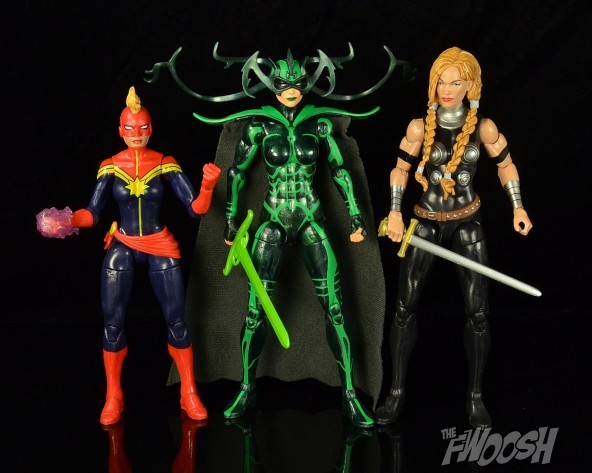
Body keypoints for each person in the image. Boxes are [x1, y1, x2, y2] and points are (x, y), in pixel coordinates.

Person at [145, 43, 410, 428]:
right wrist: (231, 219)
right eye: (284, 84)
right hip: (272, 219)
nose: (291, 90)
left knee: (335, 308)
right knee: (255, 310)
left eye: (297, 84)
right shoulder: (259, 127)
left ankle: (350, 393)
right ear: (272, 86)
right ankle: (247, 388)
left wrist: (355, 214)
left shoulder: (319, 126)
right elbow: (238, 173)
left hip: (311, 218)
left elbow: (339, 171)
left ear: (306, 85)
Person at [37, 87, 221, 425]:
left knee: (177, 321)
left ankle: (189, 391)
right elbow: (93, 213)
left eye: (143, 127)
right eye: (130, 128)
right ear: (120, 130)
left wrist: (208, 186)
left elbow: (196, 209)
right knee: (112, 323)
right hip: (123, 241)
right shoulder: (110, 166)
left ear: (151, 128)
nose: (136, 134)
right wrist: (70, 220)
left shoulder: (165, 163)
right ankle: (113, 395)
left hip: (159, 242)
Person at [375, 47, 533, 428]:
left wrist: (518, 207)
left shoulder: (484, 128)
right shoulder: (419, 128)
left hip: (467, 221)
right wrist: (395, 211)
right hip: (425, 221)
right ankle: (396, 391)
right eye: (441, 82)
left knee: (478, 311)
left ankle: (475, 396)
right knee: (404, 307)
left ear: (470, 87)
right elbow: (400, 169)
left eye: (456, 83)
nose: (447, 90)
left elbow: (506, 165)